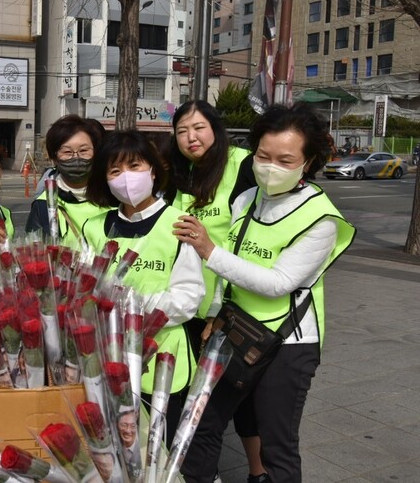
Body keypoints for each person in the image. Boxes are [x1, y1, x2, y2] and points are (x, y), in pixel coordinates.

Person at [175, 103, 356, 482]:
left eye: (285, 159)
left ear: (307, 163)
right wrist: (214, 313)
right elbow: (232, 266)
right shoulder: (247, 199)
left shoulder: (320, 219)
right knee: (201, 424)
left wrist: (210, 251)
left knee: (277, 444)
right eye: (263, 156)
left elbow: (278, 283)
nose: (270, 166)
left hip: (287, 343)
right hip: (236, 332)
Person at [82, 130, 204, 445]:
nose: (126, 177)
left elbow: (189, 298)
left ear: (152, 169)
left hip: (161, 359)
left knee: (157, 455)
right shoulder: (95, 226)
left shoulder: (179, 224)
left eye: (134, 166)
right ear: (104, 180)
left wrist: (133, 305)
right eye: (115, 170)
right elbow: (84, 288)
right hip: (108, 358)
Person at [167, 101, 264, 482]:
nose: (191, 138)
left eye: (199, 128)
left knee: (238, 394)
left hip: (232, 306)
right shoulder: (180, 172)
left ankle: (258, 471)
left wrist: (221, 306)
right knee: (201, 395)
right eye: (182, 131)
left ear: (216, 129)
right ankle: (205, 467)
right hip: (192, 305)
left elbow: (249, 236)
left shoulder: (242, 165)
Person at [25, 115, 107, 240]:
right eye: (67, 152)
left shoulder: (114, 196)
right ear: (54, 158)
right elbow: (35, 253)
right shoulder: (43, 205)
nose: (76, 158)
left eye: (84, 150)